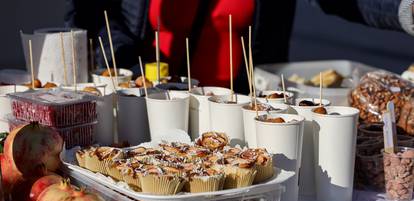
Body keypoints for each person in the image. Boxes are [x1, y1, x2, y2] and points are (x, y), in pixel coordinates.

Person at [65, 0, 414, 92]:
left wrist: (407, 11)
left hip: (244, 109)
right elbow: (96, 17)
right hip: (151, 106)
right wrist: (127, 69)